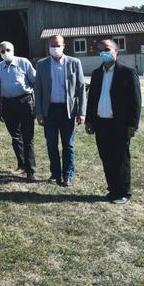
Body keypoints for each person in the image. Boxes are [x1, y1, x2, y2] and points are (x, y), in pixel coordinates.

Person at [85, 39, 141, 205]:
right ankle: (112, 189)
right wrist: (90, 120)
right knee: (106, 158)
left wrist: (133, 124)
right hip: (101, 123)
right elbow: (92, 99)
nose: (104, 52)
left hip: (120, 124)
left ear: (116, 51)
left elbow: (135, 101)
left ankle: (123, 192)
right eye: (100, 50)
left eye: (107, 49)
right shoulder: (97, 74)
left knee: (121, 159)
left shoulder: (127, 73)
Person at [34, 35, 86, 187]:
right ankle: (55, 173)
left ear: (64, 46)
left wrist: (81, 112)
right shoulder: (42, 64)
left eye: (57, 45)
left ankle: (67, 175)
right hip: (49, 110)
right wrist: (38, 112)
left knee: (68, 145)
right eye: (51, 45)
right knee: (51, 143)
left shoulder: (74, 63)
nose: (54, 48)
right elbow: (38, 89)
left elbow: (81, 88)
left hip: (67, 110)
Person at [0, 41, 37, 182]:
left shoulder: (24, 62)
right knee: (15, 136)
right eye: (2, 51)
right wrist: (0, 107)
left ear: (13, 50)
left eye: (7, 49)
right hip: (8, 104)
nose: (5, 52)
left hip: (25, 102)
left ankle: (31, 170)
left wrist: (38, 103)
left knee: (28, 136)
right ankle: (21, 164)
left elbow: (35, 81)